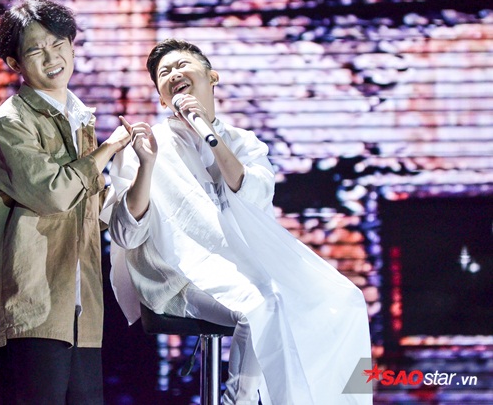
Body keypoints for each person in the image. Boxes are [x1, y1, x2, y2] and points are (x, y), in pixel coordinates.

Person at [107, 39, 372, 404]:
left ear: (212, 77)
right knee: (263, 303)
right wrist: (147, 164)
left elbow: (254, 202)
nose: (173, 74)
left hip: (240, 265)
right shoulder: (148, 144)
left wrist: (211, 136)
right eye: (164, 73)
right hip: (174, 275)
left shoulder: (245, 143)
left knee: (345, 300)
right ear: (163, 99)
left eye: (181, 65)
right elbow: (125, 233)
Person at [0, 0, 130, 404]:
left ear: (72, 45)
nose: (52, 58)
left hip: (81, 309)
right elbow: (53, 192)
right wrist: (107, 150)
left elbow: (90, 211)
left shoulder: (78, 118)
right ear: (15, 63)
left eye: (58, 44)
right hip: (31, 305)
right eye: (36, 50)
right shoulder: (10, 122)